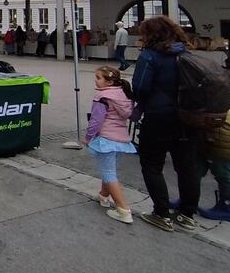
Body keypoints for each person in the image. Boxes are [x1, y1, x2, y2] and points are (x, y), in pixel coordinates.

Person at [132, 15, 201, 232]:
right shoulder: (185, 53)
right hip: (188, 116)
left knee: (152, 164)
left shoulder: (150, 56)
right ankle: (187, 214)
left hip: (159, 115)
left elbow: (141, 87)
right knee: (186, 166)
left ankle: (161, 213)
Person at [188, 87, 230, 223]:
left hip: (221, 143)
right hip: (217, 141)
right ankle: (188, 199)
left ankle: (226, 208)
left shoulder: (219, 99)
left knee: (223, 175)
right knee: (196, 170)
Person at [84, 66, 137, 224]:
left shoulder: (102, 96)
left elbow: (96, 120)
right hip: (121, 139)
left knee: (108, 173)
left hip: (106, 139)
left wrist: (87, 138)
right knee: (110, 171)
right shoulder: (123, 94)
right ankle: (103, 196)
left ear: (110, 81)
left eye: (99, 77)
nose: (96, 80)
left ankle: (123, 210)